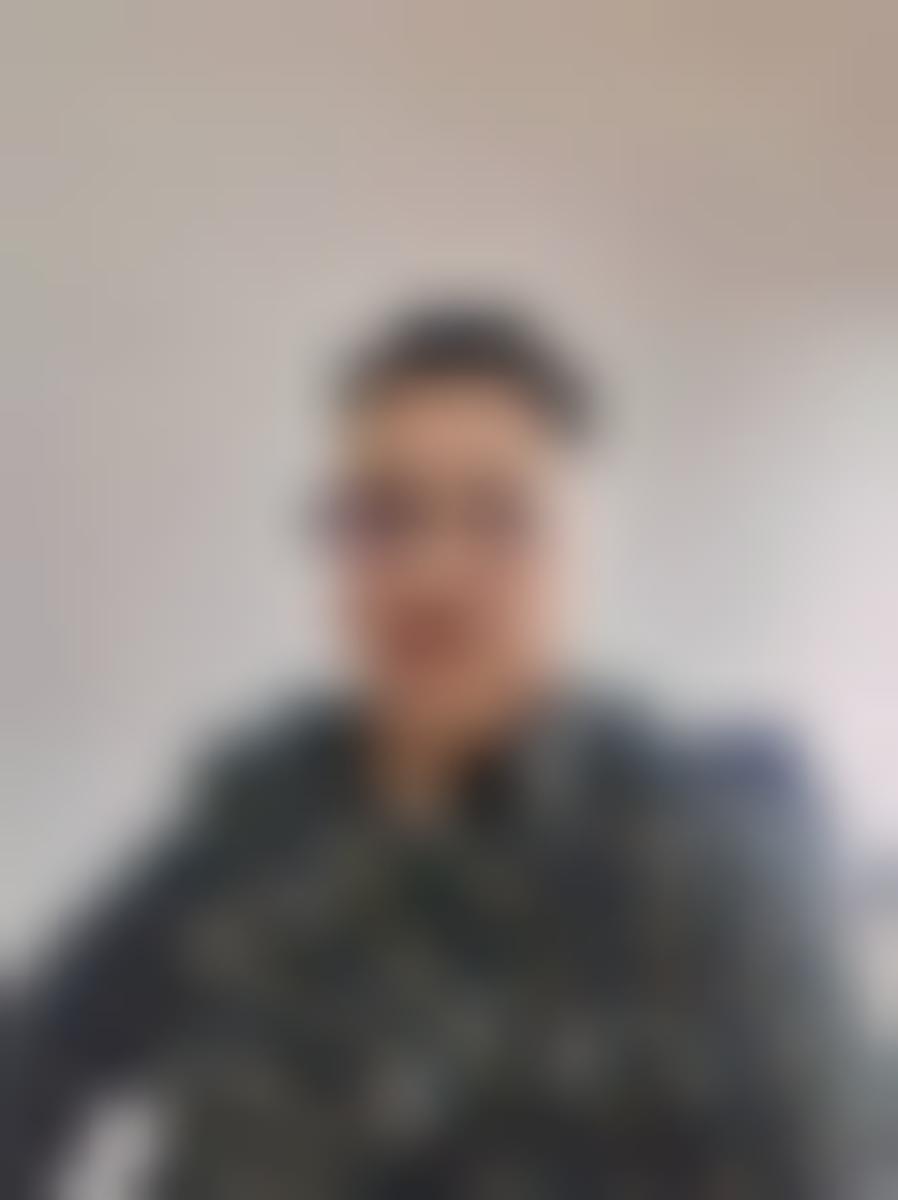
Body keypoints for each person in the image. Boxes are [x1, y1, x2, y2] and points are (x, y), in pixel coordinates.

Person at [2, 306, 851, 1198]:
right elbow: (33, 1062)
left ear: (575, 552)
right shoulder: (247, 826)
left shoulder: (707, 865)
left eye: (497, 518)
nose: (433, 573)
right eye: (385, 517)